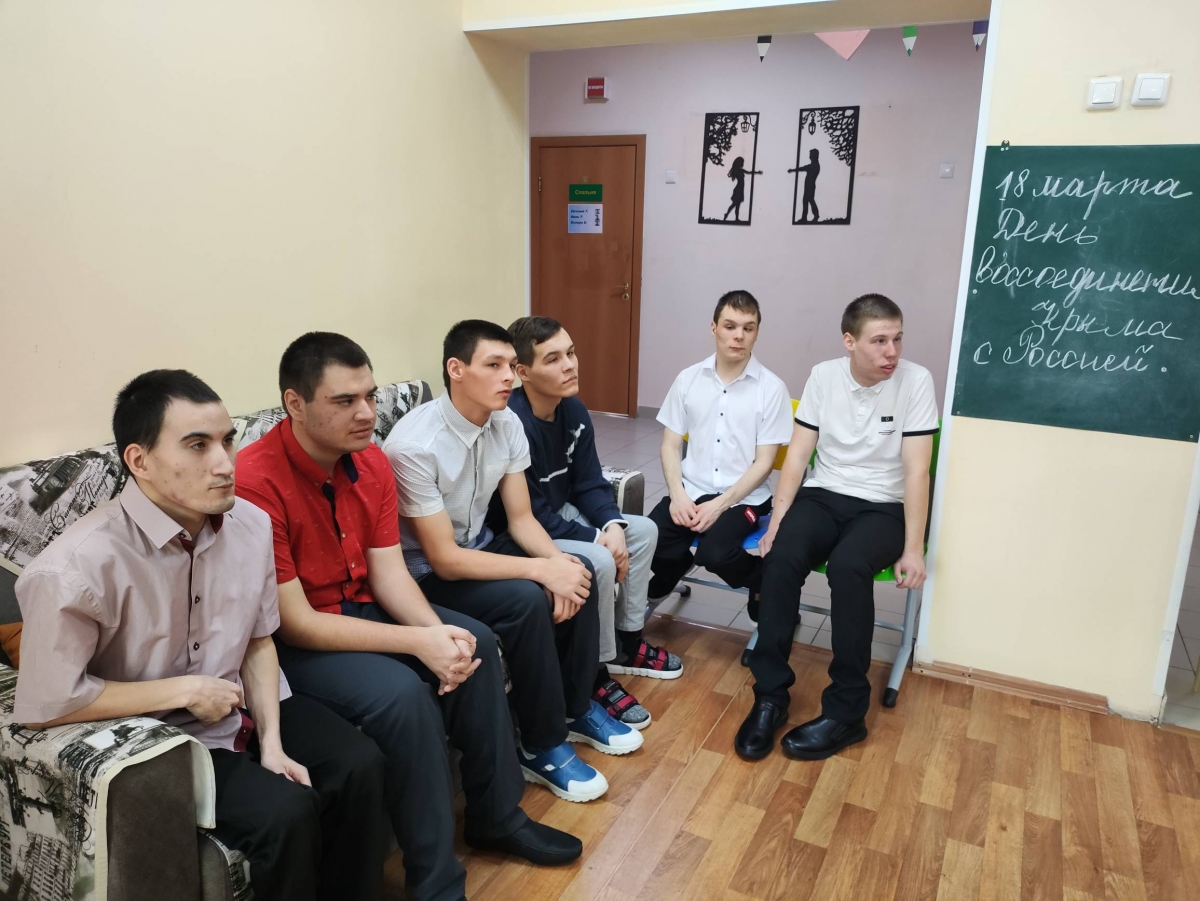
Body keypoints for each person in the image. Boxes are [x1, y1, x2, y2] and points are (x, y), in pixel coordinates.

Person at [13, 370, 389, 901]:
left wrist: (272, 742)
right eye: (197, 446)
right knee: (285, 814)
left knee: (360, 765)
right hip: (161, 738)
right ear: (139, 460)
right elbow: (47, 704)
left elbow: (258, 640)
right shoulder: (74, 568)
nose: (224, 463)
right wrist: (184, 690)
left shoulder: (251, 525)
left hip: (242, 705)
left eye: (227, 441)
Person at [235, 333, 583, 901]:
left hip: (362, 606)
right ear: (295, 403)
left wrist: (435, 634)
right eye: (345, 401)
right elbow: (295, 622)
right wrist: (417, 643)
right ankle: (436, 883)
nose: (367, 413)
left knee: (471, 643)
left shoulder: (371, 461)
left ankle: (498, 817)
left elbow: (390, 575)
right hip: (298, 641)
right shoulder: (255, 481)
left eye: (370, 396)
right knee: (402, 696)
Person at [384, 320, 643, 804]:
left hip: (483, 545)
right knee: (527, 597)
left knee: (579, 569)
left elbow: (522, 520)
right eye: (494, 365)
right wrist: (540, 570)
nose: (508, 377)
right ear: (456, 369)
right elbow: (444, 559)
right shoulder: (414, 446)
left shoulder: (506, 424)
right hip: (426, 573)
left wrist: (559, 565)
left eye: (510, 365)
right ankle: (540, 746)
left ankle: (576, 708)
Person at [736, 294, 938, 762]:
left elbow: (916, 472)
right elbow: (798, 457)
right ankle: (769, 697)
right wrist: (777, 524)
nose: (892, 351)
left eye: (898, 339)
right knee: (782, 556)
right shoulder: (824, 376)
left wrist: (913, 548)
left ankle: (847, 714)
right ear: (850, 341)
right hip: (825, 494)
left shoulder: (915, 381)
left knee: (849, 567)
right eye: (879, 341)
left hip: (884, 506)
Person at [502, 315, 678, 731]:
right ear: (522, 372)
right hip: (526, 529)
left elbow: (589, 483)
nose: (570, 365)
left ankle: (628, 642)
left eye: (571, 353)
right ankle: (595, 675)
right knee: (599, 559)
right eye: (553, 359)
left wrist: (612, 525)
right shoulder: (513, 424)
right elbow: (531, 515)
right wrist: (598, 538)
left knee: (643, 530)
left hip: (560, 514)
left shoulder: (574, 410)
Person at [648, 291, 793, 619]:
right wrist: (677, 495)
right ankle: (675, 567)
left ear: (757, 333)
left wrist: (720, 504)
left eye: (748, 328)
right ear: (714, 328)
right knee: (647, 541)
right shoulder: (688, 379)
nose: (739, 335)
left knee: (715, 554)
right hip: (691, 490)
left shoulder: (771, 388)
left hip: (744, 499)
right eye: (730, 326)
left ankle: (765, 581)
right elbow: (670, 445)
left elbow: (764, 463)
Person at [724, 156, 763, 222]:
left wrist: (757, 172)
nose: (743, 164)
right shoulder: (738, 170)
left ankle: (736, 218)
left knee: (737, 205)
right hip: (738, 189)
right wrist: (757, 172)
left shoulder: (740, 170)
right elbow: (748, 172)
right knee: (734, 204)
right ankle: (727, 214)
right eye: (742, 162)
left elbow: (749, 172)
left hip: (741, 189)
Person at [790, 148, 821, 223]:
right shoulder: (813, 165)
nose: (809, 157)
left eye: (811, 155)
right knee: (805, 201)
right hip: (807, 186)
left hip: (810, 186)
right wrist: (794, 170)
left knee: (810, 199)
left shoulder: (815, 165)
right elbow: (804, 168)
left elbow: (804, 168)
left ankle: (816, 215)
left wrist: (793, 170)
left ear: (815, 156)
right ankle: (804, 217)